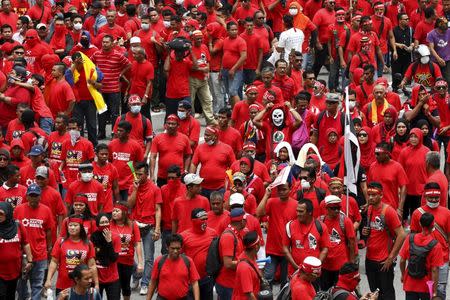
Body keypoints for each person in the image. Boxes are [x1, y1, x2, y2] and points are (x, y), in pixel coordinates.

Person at [363, 182, 406, 300]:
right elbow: (374, 231)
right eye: (369, 194)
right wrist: (365, 233)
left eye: (374, 195)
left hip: (383, 261)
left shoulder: (389, 211)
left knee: (386, 293)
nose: (371, 197)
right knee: (374, 294)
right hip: (370, 259)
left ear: (381, 195)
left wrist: (391, 258)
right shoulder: (369, 209)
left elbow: (402, 235)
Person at [126, 161, 161, 295]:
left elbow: (158, 209)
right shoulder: (133, 186)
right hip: (134, 226)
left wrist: (157, 229)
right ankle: (136, 274)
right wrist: (135, 189)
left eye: (141, 174)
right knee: (127, 255)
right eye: (136, 174)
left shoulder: (155, 189)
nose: (138, 177)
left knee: (148, 258)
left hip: (149, 227)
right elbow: (129, 204)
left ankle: (145, 283)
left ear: (147, 174)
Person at [410, 182, 450, 299]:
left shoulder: (447, 213)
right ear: (425, 196)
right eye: (430, 197)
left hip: (442, 259)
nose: (433, 200)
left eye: (436, 197)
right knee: (424, 291)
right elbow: (412, 238)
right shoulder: (417, 213)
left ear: (440, 196)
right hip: (422, 260)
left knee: (440, 290)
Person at [45, 214, 98, 295]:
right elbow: (54, 262)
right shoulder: (60, 242)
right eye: (70, 225)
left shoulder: (88, 243)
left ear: (81, 227)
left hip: (82, 287)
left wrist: (96, 284)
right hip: (63, 285)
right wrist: (48, 279)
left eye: (75, 225)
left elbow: (92, 265)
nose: (72, 227)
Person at [256, 183, 297, 287]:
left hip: (288, 251)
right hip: (272, 249)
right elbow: (258, 213)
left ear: (290, 189)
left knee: (285, 282)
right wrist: (266, 195)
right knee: (267, 279)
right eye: (279, 190)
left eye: (284, 189)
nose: (281, 192)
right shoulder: (271, 202)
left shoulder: (296, 205)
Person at [91, 34, 131, 140]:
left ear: (112, 43)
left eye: (107, 42)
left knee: (114, 113)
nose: (104, 44)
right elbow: (90, 64)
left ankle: (114, 133)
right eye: (103, 42)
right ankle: (101, 132)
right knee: (101, 111)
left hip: (114, 89)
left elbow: (128, 64)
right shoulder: (97, 54)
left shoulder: (118, 55)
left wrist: (121, 74)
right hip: (101, 89)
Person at [400, 212, 443, 299]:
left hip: (410, 283)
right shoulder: (435, 245)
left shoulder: (410, 238)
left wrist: (403, 275)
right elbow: (434, 270)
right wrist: (434, 291)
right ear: (433, 225)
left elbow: (402, 260)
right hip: (426, 285)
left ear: (420, 223)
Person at [282, 198, 329, 275]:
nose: (298, 214)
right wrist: (296, 267)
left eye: (301, 211)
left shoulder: (321, 227)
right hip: (295, 272)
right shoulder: (290, 226)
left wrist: (316, 266)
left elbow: (325, 249)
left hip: (313, 274)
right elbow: (285, 248)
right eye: (297, 211)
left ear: (310, 212)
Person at [146, 233, 200, 300]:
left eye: (178, 248)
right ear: (167, 247)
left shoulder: (188, 261)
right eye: (172, 248)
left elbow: (195, 283)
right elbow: (153, 282)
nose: (175, 251)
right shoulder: (159, 261)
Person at [66, 51, 103, 146]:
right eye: (76, 62)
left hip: (90, 101)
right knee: (78, 125)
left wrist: (93, 83)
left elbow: (100, 85)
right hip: (77, 102)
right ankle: (79, 145)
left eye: (81, 61)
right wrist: (75, 64)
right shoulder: (71, 70)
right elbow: (67, 76)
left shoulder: (92, 69)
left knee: (92, 125)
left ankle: (93, 145)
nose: (79, 64)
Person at [180, 208, 217, 299]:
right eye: (202, 219)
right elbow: (178, 256)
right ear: (194, 221)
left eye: (206, 219)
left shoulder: (213, 233)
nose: (205, 222)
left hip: (207, 278)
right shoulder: (184, 236)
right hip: (190, 279)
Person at [190, 126, 236, 198]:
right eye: (205, 134)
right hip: (203, 187)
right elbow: (194, 164)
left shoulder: (227, 149)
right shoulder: (200, 148)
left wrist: (231, 183)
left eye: (208, 135)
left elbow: (233, 167)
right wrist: (191, 180)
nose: (205, 137)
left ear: (215, 136)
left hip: (220, 188)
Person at [110, 202, 143, 300]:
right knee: (115, 288)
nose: (114, 213)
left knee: (126, 288)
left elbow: (137, 244)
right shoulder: (109, 224)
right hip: (114, 263)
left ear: (124, 212)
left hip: (128, 262)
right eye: (113, 211)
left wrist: (140, 263)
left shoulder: (133, 225)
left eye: (117, 211)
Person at [0, 202, 32, 300]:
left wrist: (30, 260)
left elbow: (26, 243)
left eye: (1, 214)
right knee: (2, 295)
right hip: (0, 271)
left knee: (11, 295)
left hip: (14, 269)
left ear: (8, 213)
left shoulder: (18, 225)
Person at [150, 115, 192, 187]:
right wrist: (152, 175)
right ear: (165, 125)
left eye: (173, 124)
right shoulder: (157, 138)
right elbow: (152, 157)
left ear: (178, 126)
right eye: (168, 123)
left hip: (178, 176)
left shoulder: (184, 138)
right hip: (162, 176)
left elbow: (188, 156)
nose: (170, 126)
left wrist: (185, 171)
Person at [108, 120, 144, 202]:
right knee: (115, 209)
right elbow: (109, 162)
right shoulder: (111, 144)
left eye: (121, 131)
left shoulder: (136, 146)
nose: (118, 132)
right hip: (114, 184)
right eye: (117, 130)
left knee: (127, 209)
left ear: (128, 132)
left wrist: (137, 179)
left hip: (129, 184)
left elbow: (140, 165)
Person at [215, 207, 246, 300]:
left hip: (233, 282)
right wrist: (246, 264)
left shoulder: (236, 233)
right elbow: (228, 264)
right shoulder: (228, 237)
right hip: (227, 284)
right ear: (242, 221)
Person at [368, 142, 408, 211]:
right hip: (375, 207)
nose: (376, 156)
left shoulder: (397, 167)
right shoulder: (372, 166)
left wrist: (400, 208)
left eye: (378, 154)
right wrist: (368, 203)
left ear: (386, 154)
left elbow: (404, 187)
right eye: (375, 153)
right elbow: (369, 186)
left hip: (391, 207)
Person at [112, 95, 153, 160]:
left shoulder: (146, 121)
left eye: (138, 104)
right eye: (134, 104)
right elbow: (115, 136)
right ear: (129, 105)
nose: (136, 106)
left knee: (137, 170)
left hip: (139, 153)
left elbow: (149, 140)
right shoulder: (120, 119)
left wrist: (146, 154)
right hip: (123, 152)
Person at [90, 213, 121, 300]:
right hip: (96, 279)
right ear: (97, 224)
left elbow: (114, 258)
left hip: (112, 278)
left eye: (106, 222)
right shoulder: (92, 238)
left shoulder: (115, 237)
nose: (104, 224)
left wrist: (109, 242)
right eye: (102, 222)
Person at [232, 231, 262, 299]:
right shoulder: (244, 268)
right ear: (256, 247)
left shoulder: (250, 256)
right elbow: (249, 295)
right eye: (260, 240)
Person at [92, 144, 120, 214]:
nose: (104, 156)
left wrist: (117, 202)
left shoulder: (112, 168)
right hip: (93, 204)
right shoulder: (91, 167)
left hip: (108, 206)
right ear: (96, 154)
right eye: (102, 154)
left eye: (106, 154)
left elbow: (115, 188)